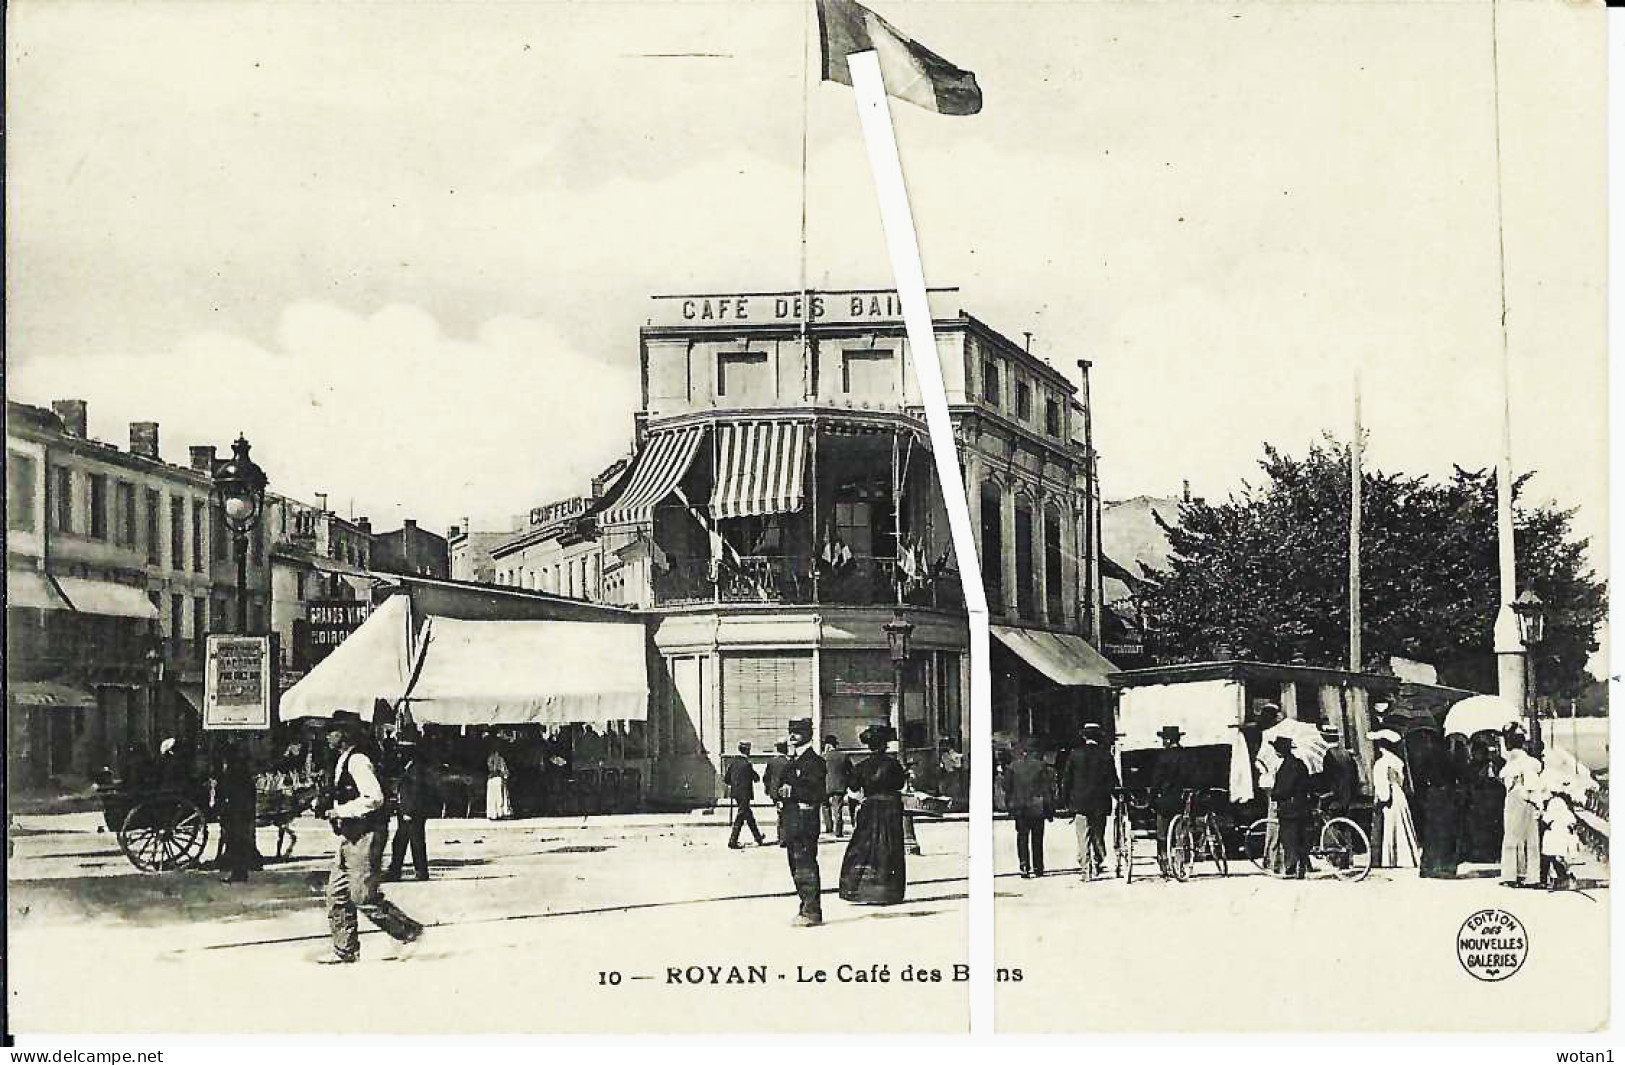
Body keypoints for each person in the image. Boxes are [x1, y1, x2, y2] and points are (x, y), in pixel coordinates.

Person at [315, 710, 424, 964]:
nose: (327, 736)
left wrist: (338, 810)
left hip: (367, 833)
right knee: (337, 893)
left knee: (363, 895)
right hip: (350, 834)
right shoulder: (344, 760)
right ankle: (345, 949)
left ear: (343, 734)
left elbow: (374, 798)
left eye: (331, 731)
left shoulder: (358, 761)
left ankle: (408, 932)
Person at [840, 723, 908, 904]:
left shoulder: (862, 766)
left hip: (870, 808)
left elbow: (853, 785)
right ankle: (889, 891)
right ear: (884, 744)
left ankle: (860, 890)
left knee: (864, 846)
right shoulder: (893, 764)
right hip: (891, 808)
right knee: (889, 846)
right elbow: (900, 784)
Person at [778, 718, 827, 926]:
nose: (792, 735)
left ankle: (811, 910)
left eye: (797, 731)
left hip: (804, 819)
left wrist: (793, 791)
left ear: (809, 734)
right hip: (792, 819)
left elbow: (817, 792)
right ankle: (805, 905)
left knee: (805, 863)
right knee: (796, 865)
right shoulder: (793, 761)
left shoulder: (814, 761)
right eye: (791, 731)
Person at [1060, 723, 1117, 880]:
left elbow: (1067, 780)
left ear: (1084, 736)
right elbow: (1113, 781)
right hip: (1100, 802)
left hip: (1080, 802)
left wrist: (1066, 801)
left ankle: (1086, 869)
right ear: (1099, 737)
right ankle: (1097, 862)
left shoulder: (1075, 754)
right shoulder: (1105, 755)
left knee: (1082, 836)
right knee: (1098, 835)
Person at [1415, 731, 1464, 878]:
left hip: (1434, 794)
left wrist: (1423, 795)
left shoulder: (1427, 756)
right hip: (1447, 794)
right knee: (1446, 832)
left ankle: (1428, 867)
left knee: (1431, 833)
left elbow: (1420, 777)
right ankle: (1445, 866)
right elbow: (1459, 775)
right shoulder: (1450, 756)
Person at [1499, 728, 1543, 887]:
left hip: (1514, 798)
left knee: (1512, 836)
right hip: (1529, 798)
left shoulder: (1510, 763)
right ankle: (1532, 876)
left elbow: (1506, 781)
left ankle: (1511, 874)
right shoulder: (1531, 762)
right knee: (1531, 837)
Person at [1003, 741, 1054, 878]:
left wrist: (1009, 805)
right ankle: (1038, 867)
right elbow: (1047, 789)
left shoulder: (1013, 767)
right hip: (1037, 806)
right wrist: (1049, 809)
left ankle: (1024, 866)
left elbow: (1007, 788)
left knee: (1022, 837)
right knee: (1037, 838)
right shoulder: (1041, 766)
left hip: (1020, 807)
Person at [1370, 730, 1419, 869]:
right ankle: (1405, 857)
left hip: (1390, 795)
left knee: (1390, 826)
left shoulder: (1381, 763)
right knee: (1402, 825)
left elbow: (1382, 786)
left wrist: (1381, 799)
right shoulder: (1398, 761)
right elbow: (1402, 780)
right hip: (1399, 794)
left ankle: (1391, 859)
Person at [384, 737, 432, 881]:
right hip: (406, 811)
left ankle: (419, 871)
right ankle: (397, 870)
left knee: (415, 842)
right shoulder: (409, 767)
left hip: (412, 812)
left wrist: (408, 811)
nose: (399, 754)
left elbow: (415, 792)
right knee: (401, 842)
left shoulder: (415, 769)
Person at [214, 739, 261, 884]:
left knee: (236, 841)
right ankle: (241, 871)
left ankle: (239, 873)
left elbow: (228, 790)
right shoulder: (242, 770)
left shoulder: (234, 771)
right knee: (240, 841)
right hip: (243, 811)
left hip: (236, 812)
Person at [1151, 725, 1195, 878]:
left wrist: (1152, 798)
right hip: (1183, 800)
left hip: (1165, 801)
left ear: (1168, 740)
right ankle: (1181, 863)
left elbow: (1156, 780)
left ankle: (1164, 863)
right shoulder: (1187, 756)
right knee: (1181, 833)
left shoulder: (1163, 757)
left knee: (1162, 833)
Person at [1271, 735, 1314, 879]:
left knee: (1289, 838)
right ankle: (1301, 865)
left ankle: (1291, 868)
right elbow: (1307, 783)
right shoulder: (1300, 763)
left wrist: (1274, 794)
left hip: (1289, 808)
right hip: (1302, 805)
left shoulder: (1286, 767)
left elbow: (1284, 789)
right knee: (1301, 837)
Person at [1540, 778, 1580, 891]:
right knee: (1557, 859)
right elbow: (1572, 821)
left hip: (1552, 836)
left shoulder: (1553, 804)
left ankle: (1550, 880)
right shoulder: (1565, 808)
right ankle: (1563, 878)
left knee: (1548, 859)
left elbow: (1546, 819)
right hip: (1562, 836)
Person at [723, 741, 765, 849]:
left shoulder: (733, 763)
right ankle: (732, 841)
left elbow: (726, 779)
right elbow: (756, 778)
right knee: (741, 816)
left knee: (748, 816)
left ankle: (758, 837)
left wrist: (734, 783)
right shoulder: (747, 764)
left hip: (736, 794)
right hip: (744, 795)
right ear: (747, 750)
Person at [821, 736, 852, 839]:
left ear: (827, 745)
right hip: (839, 785)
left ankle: (829, 827)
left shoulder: (823, 757)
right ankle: (838, 831)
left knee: (825, 807)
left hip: (825, 785)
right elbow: (850, 770)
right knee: (837, 808)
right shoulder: (843, 756)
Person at [763, 741, 790, 847]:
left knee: (781, 813)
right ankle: (784, 838)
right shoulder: (788, 762)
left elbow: (766, 777)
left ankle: (781, 837)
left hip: (774, 793)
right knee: (785, 815)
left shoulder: (771, 762)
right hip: (785, 793)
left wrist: (767, 789)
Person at [485, 739, 513, 821]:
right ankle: (500, 813)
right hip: (498, 778)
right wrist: (506, 774)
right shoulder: (500, 759)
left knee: (492, 797)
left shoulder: (489, 758)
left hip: (491, 779)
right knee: (499, 797)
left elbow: (490, 768)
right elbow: (504, 770)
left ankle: (493, 814)